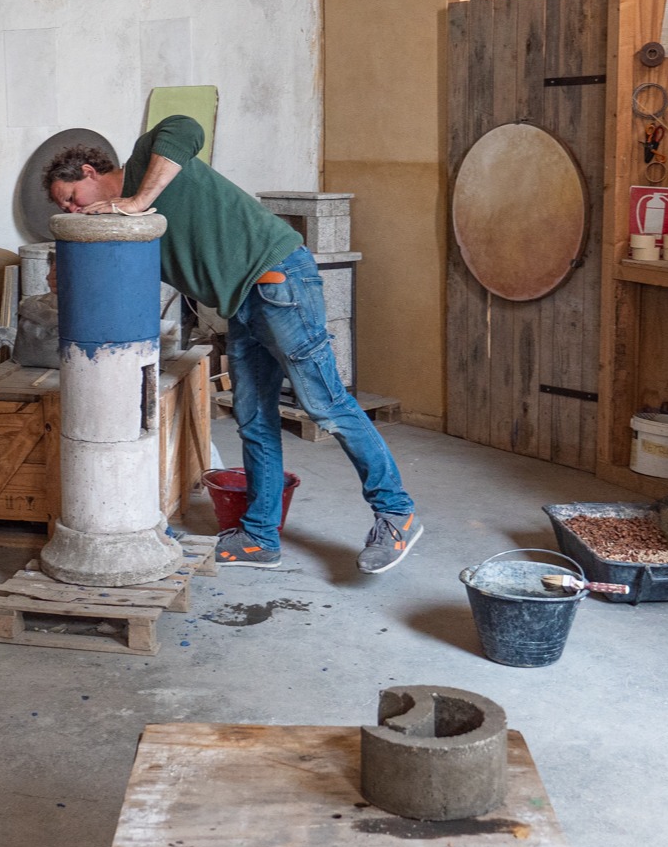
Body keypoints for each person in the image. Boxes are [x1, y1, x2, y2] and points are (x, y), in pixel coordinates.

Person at [44, 115, 422, 573]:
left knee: (326, 404)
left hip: (279, 280)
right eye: (68, 211)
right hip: (244, 302)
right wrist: (69, 270)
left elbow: (186, 128)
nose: (75, 212)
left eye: (72, 199)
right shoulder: (136, 231)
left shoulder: (147, 162)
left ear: (88, 172)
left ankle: (396, 512)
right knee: (254, 419)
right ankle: (260, 536)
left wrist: (138, 200)